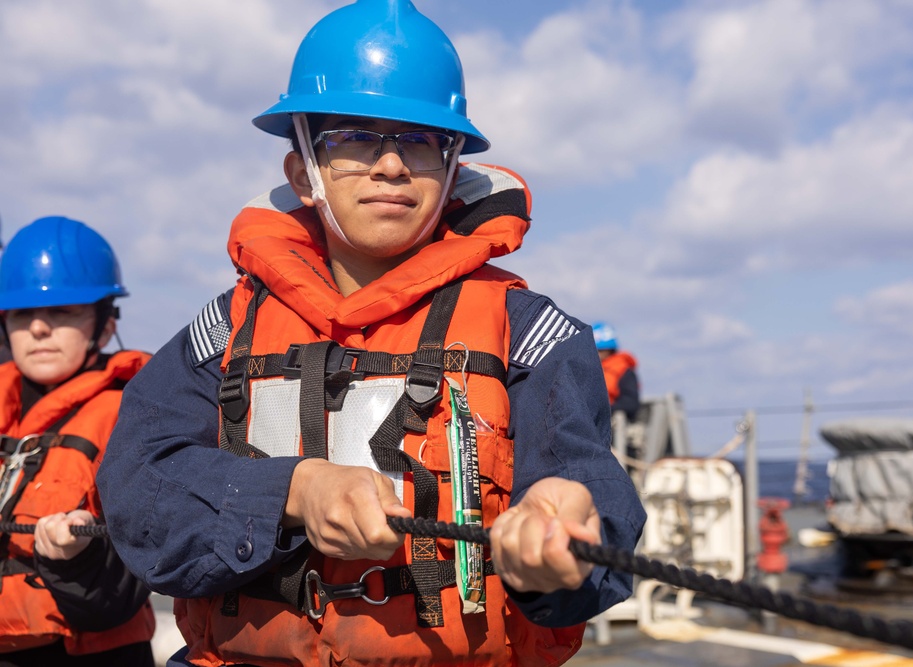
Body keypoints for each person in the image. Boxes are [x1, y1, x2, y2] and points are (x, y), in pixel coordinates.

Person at [97, 1, 646, 665]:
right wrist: (296, 492)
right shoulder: (224, 332)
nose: (390, 165)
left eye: (420, 141)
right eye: (354, 138)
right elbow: (136, 489)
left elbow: (587, 481)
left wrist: (564, 526)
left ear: (452, 171)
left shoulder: (531, 333)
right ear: (303, 171)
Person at [0, 217, 155, 666]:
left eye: (63, 312)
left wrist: (73, 559)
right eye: (22, 313)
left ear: (106, 326)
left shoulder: (139, 417)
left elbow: (124, 591)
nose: (39, 329)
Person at [592, 322, 641, 421]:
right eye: (595, 350)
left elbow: (630, 403)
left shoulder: (623, 370)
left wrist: (602, 410)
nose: (598, 354)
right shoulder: (585, 368)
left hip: (612, 423)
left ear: (610, 350)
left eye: (601, 350)